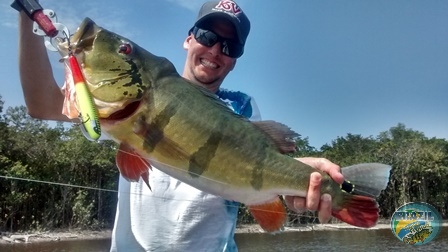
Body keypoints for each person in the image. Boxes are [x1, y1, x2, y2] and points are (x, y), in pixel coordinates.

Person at [17, 1, 344, 251]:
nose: (216, 50)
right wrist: (24, 14)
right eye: (208, 36)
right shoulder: (118, 108)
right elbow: (41, 104)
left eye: (229, 46)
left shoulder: (241, 108)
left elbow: (254, 173)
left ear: (236, 58)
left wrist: (303, 185)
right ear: (189, 39)